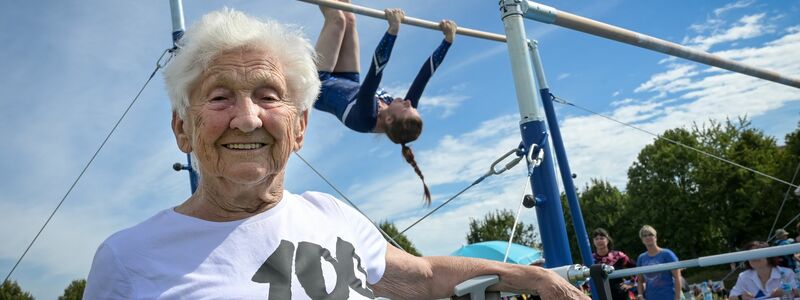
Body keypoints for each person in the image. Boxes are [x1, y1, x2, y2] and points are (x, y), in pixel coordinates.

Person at [82, 9, 588, 299]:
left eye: (267, 96)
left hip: (331, 84)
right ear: (181, 128)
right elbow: (408, 79)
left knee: (341, 16)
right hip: (340, 83)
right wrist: (429, 39)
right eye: (219, 97)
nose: (248, 117)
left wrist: (535, 275)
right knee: (342, 15)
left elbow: (427, 275)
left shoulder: (335, 208)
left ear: (299, 129)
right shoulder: (128, 261)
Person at [313, 1, 457, 204]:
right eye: (412, 106)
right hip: (347, 79)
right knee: (350, 18)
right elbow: (425, 76)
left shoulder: (365, 118)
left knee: (336, 19)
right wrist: (448, 41)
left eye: (407, 107)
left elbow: (376, 71)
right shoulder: (399, 111)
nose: (408, 102)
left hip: (319, 83)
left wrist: (393, 30)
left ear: (389, 119)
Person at [728, 241, 798, 300]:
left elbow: (797, 292)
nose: (753, 257)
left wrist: (786, 292)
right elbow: (731, 297)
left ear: (768, 256)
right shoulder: (743, 276)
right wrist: (741, 297)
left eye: (757, 254)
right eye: (750, 255)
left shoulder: (787, 273)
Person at [636, 225, 681, 300]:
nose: (648, 237)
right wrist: (640, 295)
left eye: (650, 234)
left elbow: (677, 277)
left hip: (669, 296)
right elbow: (640, 280)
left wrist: (677, 298)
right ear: (642, 240)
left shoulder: (667, 254)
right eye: (644, 235)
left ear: (655, 237)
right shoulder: (641, 258)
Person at [591, 228, 637, 300]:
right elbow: (583, 277)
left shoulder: (618, 256)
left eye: (602, 238)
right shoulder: (590, 259)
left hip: (620, 294)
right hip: (599, 295)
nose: (599, 241)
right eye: (596, 239)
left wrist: (631, 283)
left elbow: (636, 267)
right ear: (593, 241)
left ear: (608, 240)